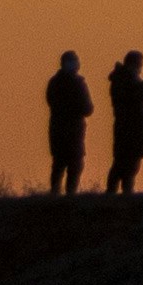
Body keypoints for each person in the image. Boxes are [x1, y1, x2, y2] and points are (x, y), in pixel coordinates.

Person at [104, 51, 143, 194]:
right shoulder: (124, 80)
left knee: (128, 165)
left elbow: (138, 95)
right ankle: (117, 193)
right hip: (128, 131)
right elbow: (136, 98)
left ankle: (124, 193)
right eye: (139, 65)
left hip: (132, 130)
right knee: (124, 165)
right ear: (132, 64)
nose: (140, 68)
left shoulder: (127, 79)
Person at [44, 52, 92, 195]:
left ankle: (59, 194)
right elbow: (87, 108)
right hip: (70, 130)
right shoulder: (77, 83)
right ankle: (67, 194)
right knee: (71, 164)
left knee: (61, 164)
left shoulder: (54, 82)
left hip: (63, 130)